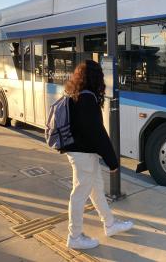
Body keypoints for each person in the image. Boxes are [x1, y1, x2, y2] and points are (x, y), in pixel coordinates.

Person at [62, 60, 133, 250]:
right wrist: (112, 160)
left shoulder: (77, 94)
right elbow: (96, 132)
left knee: (96, 189)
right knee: (79, 194)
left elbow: (92, 131)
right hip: (82, 154)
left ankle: (109, 223)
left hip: (83, 152)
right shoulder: (86, 98)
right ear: (95, 77)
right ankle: (74, 236)